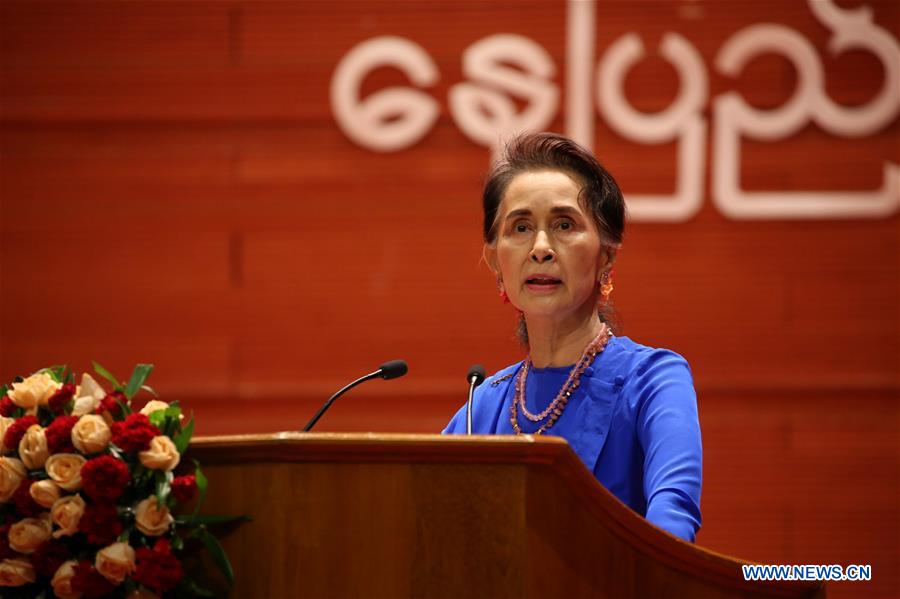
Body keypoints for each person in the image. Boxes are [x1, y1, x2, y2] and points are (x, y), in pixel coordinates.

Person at [443, 132, 702, 543]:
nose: (541, 248)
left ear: (606, 255)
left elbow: (673, 521)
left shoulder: (653, 381)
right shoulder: (482, 407)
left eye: (564, 225)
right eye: (521, 227)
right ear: (495, 260)